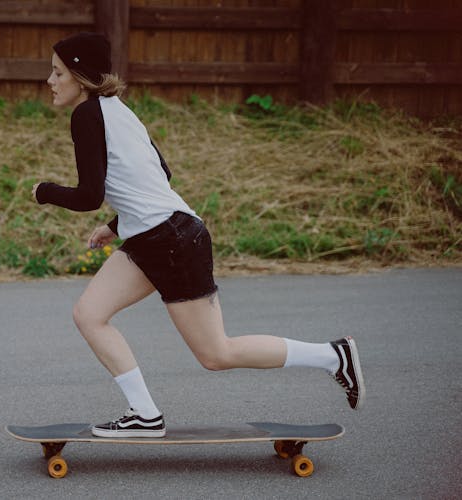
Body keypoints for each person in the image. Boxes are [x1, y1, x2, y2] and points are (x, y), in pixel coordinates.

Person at [32, 32, 364, 438]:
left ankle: (333, 356)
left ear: (80, 77)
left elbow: (88, 195)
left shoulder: (85, 115)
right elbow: (160, 177)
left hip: (170, 241)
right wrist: (117, 225)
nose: (50, 80)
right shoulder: (118, 110)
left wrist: (44, 192)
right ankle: (144, 414)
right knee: (89, 314)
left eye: (57, 72)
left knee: (216, 354)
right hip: (157, 235)